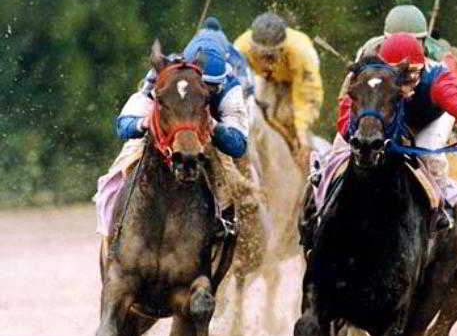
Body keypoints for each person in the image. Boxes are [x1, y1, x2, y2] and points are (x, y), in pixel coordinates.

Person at [96, 18, 249, 238]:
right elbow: (123, 125)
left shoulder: (231, 89)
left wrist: (214, 126)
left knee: (232, 183)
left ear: (221, 83)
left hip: (208, 140)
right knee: (120, 169)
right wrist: (144, 122)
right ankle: (111, 232)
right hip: (162, 134)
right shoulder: (162, 77)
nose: (202, 91)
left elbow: (238, 145)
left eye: (210, 89)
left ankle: (226, 228)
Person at [336, 33, 457, 230]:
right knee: (339, 148)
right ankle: (318, 200)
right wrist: (350, 134)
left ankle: (439, 209)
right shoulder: (372, 77)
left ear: (422, 67)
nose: (407, 82)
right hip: (393, 120)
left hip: (430, 121)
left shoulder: (437, 80)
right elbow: (347, 111)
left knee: (431, 156)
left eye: (413, 74)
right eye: (400, 76)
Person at [345, 0, 457, 150]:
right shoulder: (368, 62)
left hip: (434, 122)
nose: (404, 49)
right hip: (389, 121)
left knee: (434, 158)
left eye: (413, 42)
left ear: (425, 42)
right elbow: (347, 102)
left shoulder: (444, 67)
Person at [234, 12, 323, 172]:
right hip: (262, 79)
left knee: (286, 117)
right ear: (253, 48)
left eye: (272, 56)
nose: (268, 62)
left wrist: (302, 138)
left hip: (294, 84)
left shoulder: (301, 52)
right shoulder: (240, 48)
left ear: (282, 49)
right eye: (263, 55)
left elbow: (305, 98)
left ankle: (307, 160)